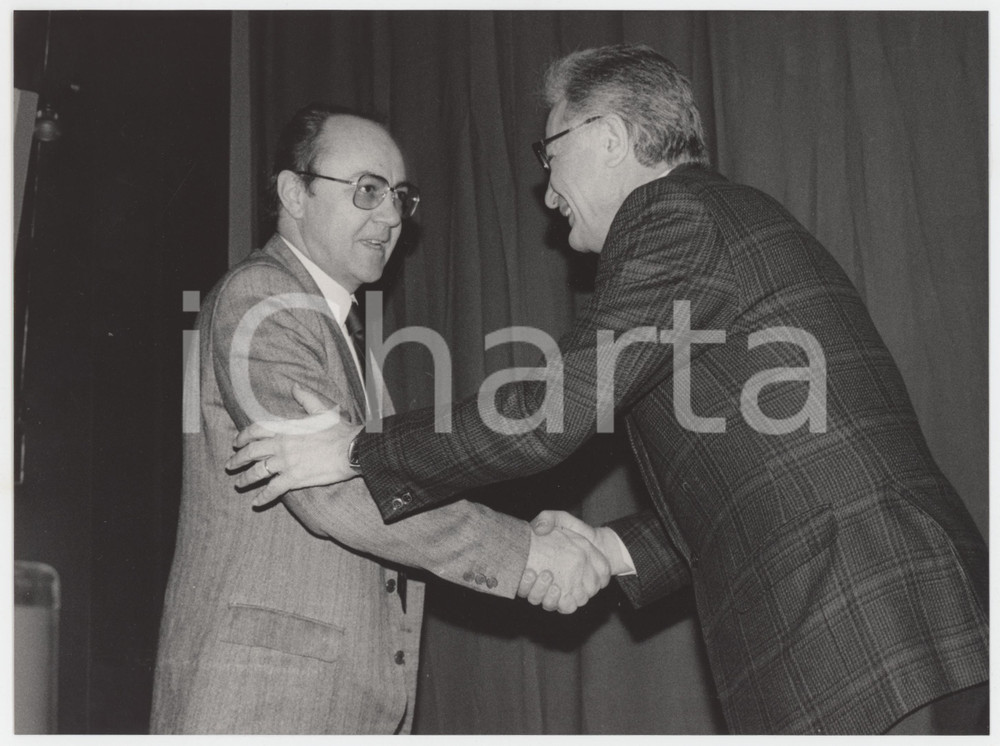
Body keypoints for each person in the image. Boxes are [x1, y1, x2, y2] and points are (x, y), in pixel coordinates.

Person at [226, 47, 989, 735]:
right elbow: (739, 486)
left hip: (866, 628)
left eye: (549, 153)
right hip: (876, 629)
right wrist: (607, 549)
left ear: (611, 139)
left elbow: (548, 414)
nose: (547, 188)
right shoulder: (717, 223)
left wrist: (359, 449)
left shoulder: (674, 215)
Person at [150, 103, 610, 735]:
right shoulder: (263, 301)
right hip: (264, 700)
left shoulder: (336, 329)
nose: (391, 215)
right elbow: (338, 495)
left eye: (399, 196)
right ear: (295, 193)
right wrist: (524, 552)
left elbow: (378, 477)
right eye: (367, 189)